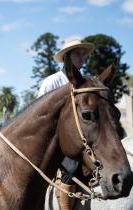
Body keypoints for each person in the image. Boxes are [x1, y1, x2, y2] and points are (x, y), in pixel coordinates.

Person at [37, 39, 95, 210]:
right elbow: (40, 114)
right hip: (58, 140)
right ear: (66, 58)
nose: (82, 58)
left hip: (82, 139)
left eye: (83, 55)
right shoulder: (51, 81)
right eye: (77, 54)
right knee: (71, 167)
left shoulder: (86, 82)